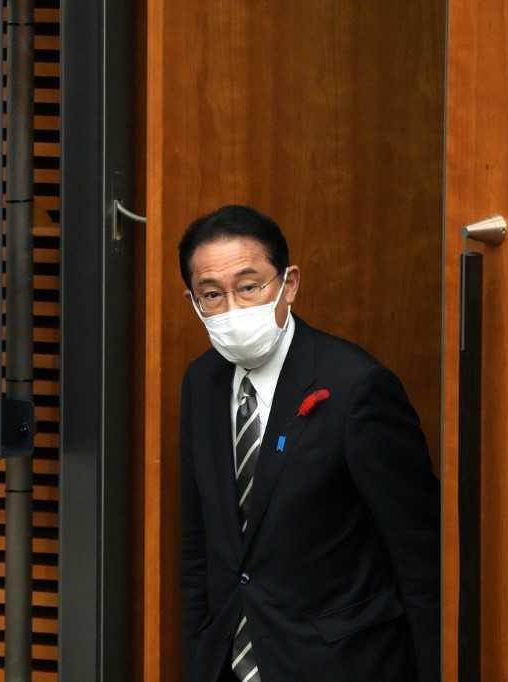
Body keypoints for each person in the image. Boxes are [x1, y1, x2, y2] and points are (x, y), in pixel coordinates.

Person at [179, 205, 440, 682]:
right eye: (212, 294)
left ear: (289, 283)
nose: (233, 308)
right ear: (194, 301)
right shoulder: (202, 382)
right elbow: (200, 542)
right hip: (230, 661)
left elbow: (420, 552)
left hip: (339, 662)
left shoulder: (356, 387)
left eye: (250, 286)